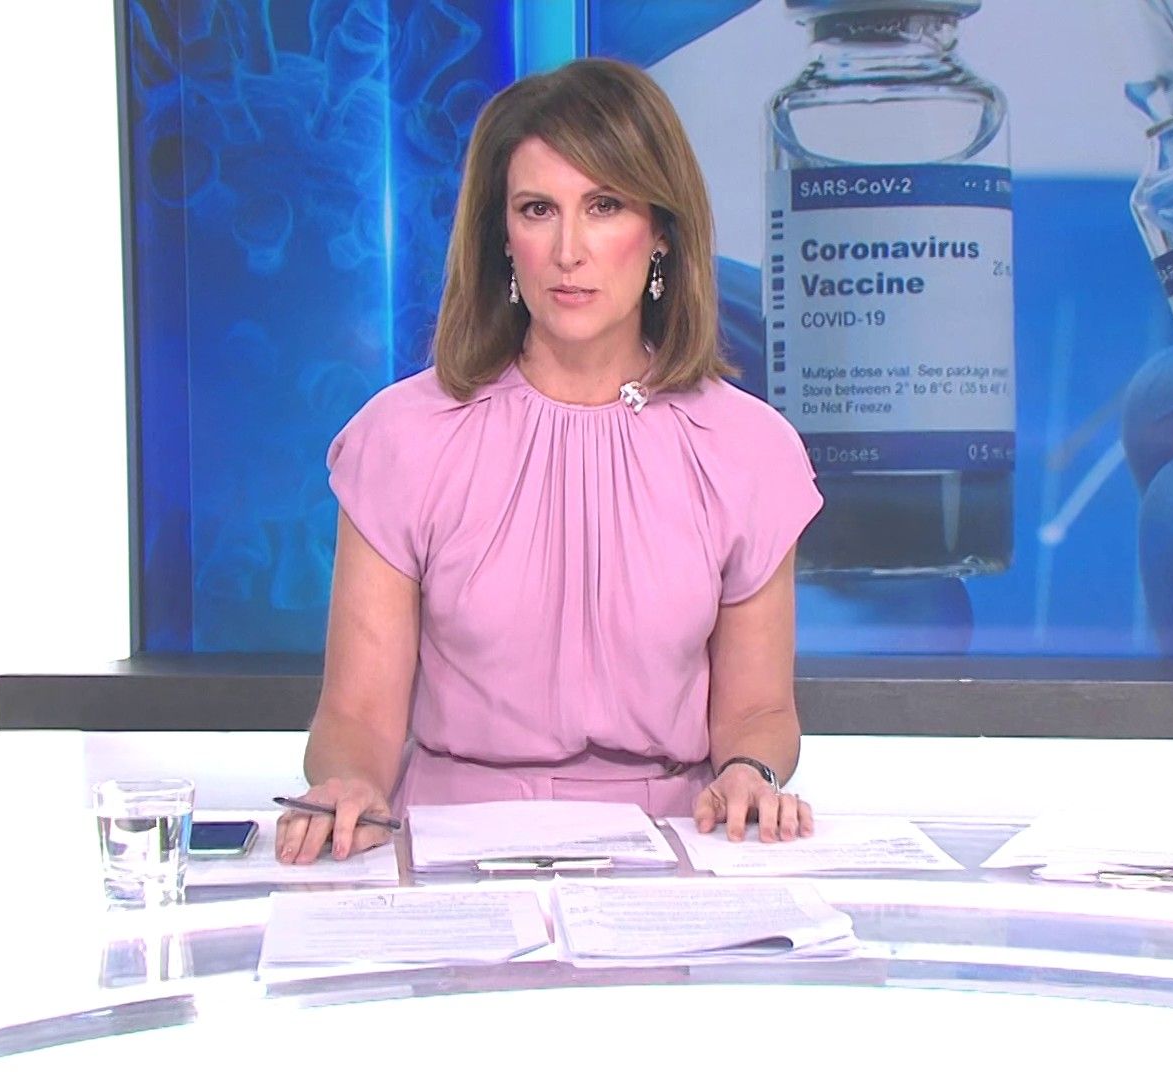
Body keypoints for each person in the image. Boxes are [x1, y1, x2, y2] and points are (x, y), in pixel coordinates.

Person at [275, 58, 823, 864]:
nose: (570, 250)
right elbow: (356, 716)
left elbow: (759, 712)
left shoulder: (746, 450)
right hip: (454, 854)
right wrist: (350, 783)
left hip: (676, 856)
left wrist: (750, 771)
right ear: (503, 238)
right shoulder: (404, 438)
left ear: (661, 232)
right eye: (538, 210)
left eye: (605, 206)